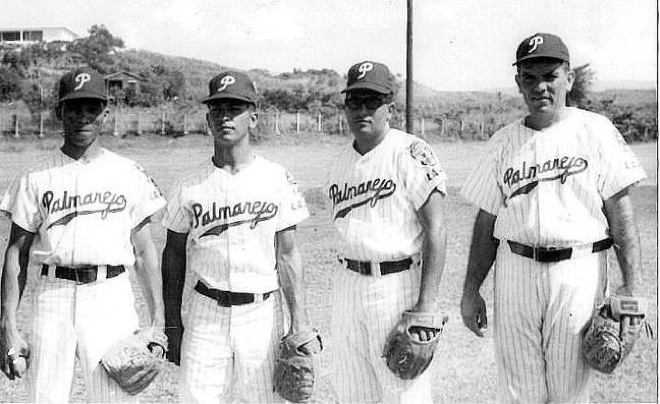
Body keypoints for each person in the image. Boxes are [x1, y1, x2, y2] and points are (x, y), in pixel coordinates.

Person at [459, 33, 647, 403]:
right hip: (515, 270)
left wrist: (634, 288)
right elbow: (486, 224)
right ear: (518, 82)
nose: (540, 86)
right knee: (519, 393)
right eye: (529, 77)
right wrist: (470, 289)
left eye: (550, 75)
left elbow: (620, 212)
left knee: (569, 393)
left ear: (569, 79)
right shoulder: (502, 142)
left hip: (578, 270)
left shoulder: (595, 131)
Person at [0, 67, 166, 402]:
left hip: (110, 295)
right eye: (74, 107)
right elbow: (16, 252)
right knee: (44, 397)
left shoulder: (128, 172)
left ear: (106, 111)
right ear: (59, 111)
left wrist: (158, 320)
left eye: (92, 107)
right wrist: (7, 325)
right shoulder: (34, 177)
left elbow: (145, 251)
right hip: (52, 294)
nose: (83, 116)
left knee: (113, 397)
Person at [161, 71, 318, 403]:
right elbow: (173, 254)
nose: (225, 116)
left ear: (254, 118)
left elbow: (287, 254)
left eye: (235, 108)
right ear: (208, 118)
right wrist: (172, 323)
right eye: (218, 109)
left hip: (262, 312)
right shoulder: (189, 183)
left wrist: (299, 321)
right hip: (206, 311)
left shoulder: (276, 178)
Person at [325, 61, 448, 403]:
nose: (362, 110)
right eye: (354, 101)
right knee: (352, 391)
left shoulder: (409, 151)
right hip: (347, 283)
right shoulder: (337, 164)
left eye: (372, 101)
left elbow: (436, 229)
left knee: (403, 393)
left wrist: (425, 306)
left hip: (395, 285)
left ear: (389, 108)